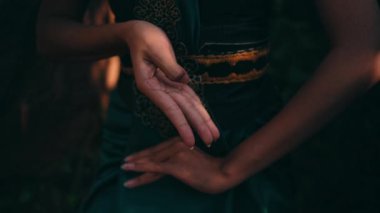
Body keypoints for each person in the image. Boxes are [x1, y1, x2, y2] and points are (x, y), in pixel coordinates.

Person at [37, 0, 380, 212]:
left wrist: (229, 168)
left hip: (247, 146)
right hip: (134, 148)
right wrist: (127, 34)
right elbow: (50, 31)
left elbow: (363, 52)